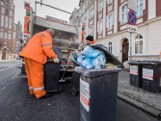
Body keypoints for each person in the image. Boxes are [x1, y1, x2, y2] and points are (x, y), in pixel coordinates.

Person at [19, 29, 58, 99]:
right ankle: (40, 94)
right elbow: (47, 48)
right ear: (51, 32)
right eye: (52, 35)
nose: (51, 37)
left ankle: (33, 91)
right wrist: (54, 57)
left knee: (31, 75)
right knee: (38, 76)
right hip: (35, 57)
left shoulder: (38, 34)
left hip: (27, 56)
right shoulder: (47, 36)